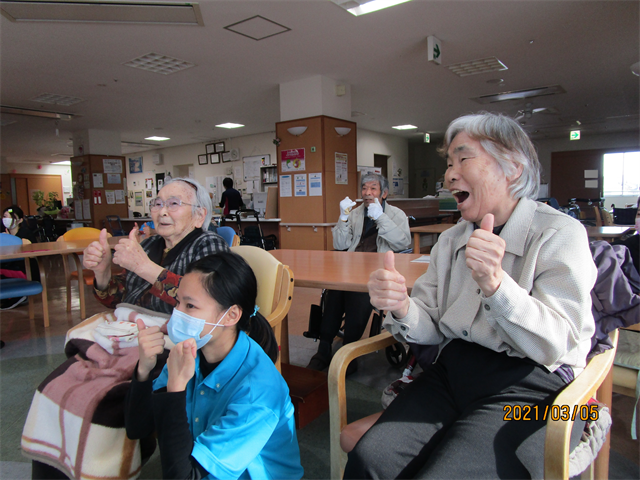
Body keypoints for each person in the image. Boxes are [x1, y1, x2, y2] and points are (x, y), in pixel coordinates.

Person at [345, 113, 596, 479]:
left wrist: (496, 285)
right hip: (455, 369)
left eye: (463, 159)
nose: (449, 175)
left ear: (512, 166)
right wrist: (401, 305)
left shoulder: (561, 233)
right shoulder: (451, 240)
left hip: (535, 390)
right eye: (449, 163)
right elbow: (430, 327)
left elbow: (555, 344)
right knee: (371, 458)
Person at [125, 251, 304, 480]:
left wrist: (176, 389)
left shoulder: (258, 391)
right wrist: (144, 369)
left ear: (231, 316)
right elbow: (138, 429)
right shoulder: (191, 352)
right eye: (178, 301)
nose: (176, 314)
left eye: (190, 306)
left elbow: (183, 477)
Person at [306, 173, 411, 373]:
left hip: (378, 271)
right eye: (364, 188)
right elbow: (340, 244)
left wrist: (381, 217)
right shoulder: (355, 213)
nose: (367, 193)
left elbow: (403, 242)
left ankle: (349, 350)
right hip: (352, 267)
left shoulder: (397, 215)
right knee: (334, 291)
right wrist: (343, 217)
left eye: (373, 188)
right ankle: (324, 347)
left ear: (384, 193)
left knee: (359, 295)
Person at [84, 177, 228, 314]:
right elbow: (120, 299)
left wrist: (143, 266)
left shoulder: (209, 243)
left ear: (199, 215)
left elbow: (206, 300)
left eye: (173, 204)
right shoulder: (148, 244)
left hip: (179, 336)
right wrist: (102, 272)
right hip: (136, 328)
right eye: (158, 204)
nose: (162, 212)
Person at [0, 205, 38, 310]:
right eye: (4, 216)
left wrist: (11, 240)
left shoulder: (26, 234)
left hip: (24, 270)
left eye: (11, 217)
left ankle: (18, 296)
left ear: (20, 220)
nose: (6, 219)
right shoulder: (2, 235)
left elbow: (33, 254)